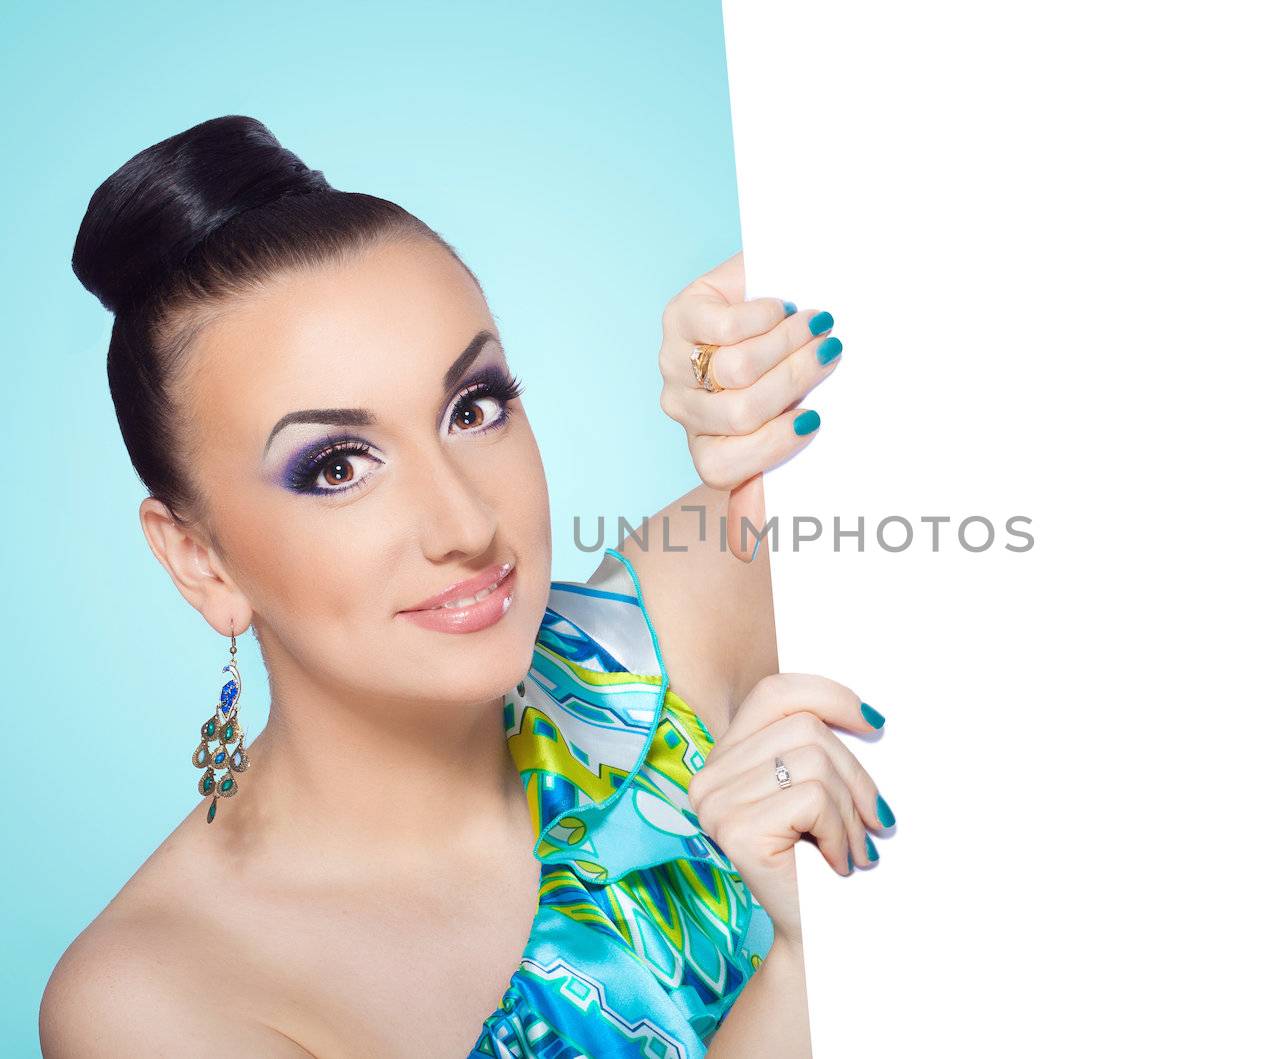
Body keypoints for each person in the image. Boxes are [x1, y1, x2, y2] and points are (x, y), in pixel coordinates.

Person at [38, 115, 893, 1058]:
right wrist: (805, 979)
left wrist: (763, 330)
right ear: (200, 560)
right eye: (336, 467)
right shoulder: (156, 999)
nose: (465, 526)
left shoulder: (661, 649)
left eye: (473, 407)